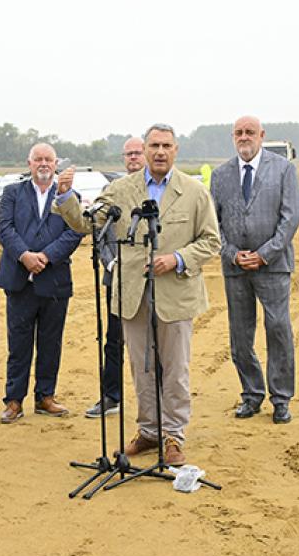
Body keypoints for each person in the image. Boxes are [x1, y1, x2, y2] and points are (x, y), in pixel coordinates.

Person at [54, 124, 220, 465]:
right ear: (143, 150)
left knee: (174, 368)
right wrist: (65, 197)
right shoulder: (120, 189)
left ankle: (173, 435)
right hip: (132, 293)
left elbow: (210, 241)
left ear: (176, 150)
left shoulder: (194, 191)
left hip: (176, 293)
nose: (160, 152)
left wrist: (175, 259)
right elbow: (88, 223)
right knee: (140, 367)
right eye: (154, 145)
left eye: (166, 146)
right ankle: (148, 431)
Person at [210, 116, 299, 424]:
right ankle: (251, 394)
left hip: (273, 266)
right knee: (240, 334)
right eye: (239, 133)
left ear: (262, 136)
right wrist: (233, 255)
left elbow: (290, 220)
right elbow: (213, 225)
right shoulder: (221, 175)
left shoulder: (284, 169)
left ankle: (281, 398)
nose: (244, 137)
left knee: (278, 329)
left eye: (250, 132)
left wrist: (263, 255)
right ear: (233, 137)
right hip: (235, 268)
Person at [0, 143, 84, 423]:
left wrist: (45, 256)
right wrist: (25, 256)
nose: (43, 164)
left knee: (50, 342)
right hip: (20, 281)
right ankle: (13, 401)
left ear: (56, 163)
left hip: (54, 281)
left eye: (48, 159)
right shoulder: (12, 193)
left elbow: (75, 232)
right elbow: (4, 229)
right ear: (29, 163)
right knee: (19, 344)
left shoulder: (69, 197)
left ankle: (45, 397)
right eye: (38, 160)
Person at [85, 137, 145, 419]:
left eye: (137, 152)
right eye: (129, 154)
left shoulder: (158, 190)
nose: (133, 157)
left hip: (152, 277)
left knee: (152, 342)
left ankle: (155, 404)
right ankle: (112, 397)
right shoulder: (112, 191)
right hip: (117, 278)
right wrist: (111, 265)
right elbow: (101, 233)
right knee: (113, 340)